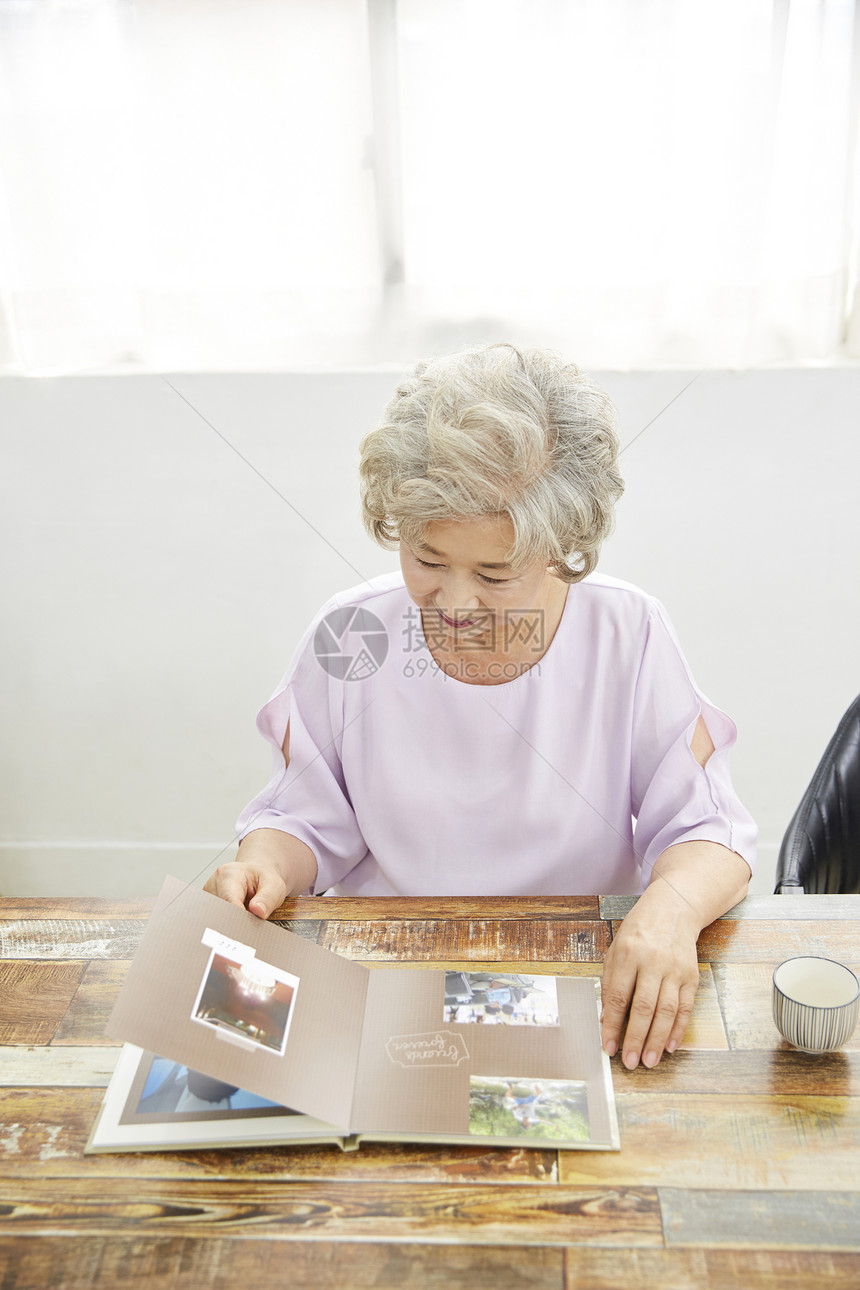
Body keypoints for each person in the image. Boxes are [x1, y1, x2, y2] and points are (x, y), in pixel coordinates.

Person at [204, 343, 757, 1071]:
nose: (457, 604)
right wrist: (264, 867)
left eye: (495, 573)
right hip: (381, 979)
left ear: (564, 548)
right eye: (428, 562)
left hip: (575, 987)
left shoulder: (628, 633)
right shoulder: (355, 633)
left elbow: (706, 829)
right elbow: (305, 814)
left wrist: (674, 909)